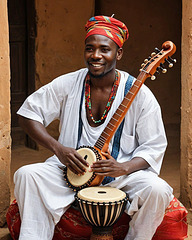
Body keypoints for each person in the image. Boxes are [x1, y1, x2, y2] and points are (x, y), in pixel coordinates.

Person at [14, 15, 174, 240]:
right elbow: (28, 114)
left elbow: (155, 145)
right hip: (70, 171)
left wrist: (124, 167)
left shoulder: (140, 95)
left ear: (118, 53)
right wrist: (59, 149)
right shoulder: (69, 83)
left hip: (120, 175)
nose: (95, 55)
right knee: (27, 174)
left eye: (104, 49)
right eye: (90, 48)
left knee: (158, 190)